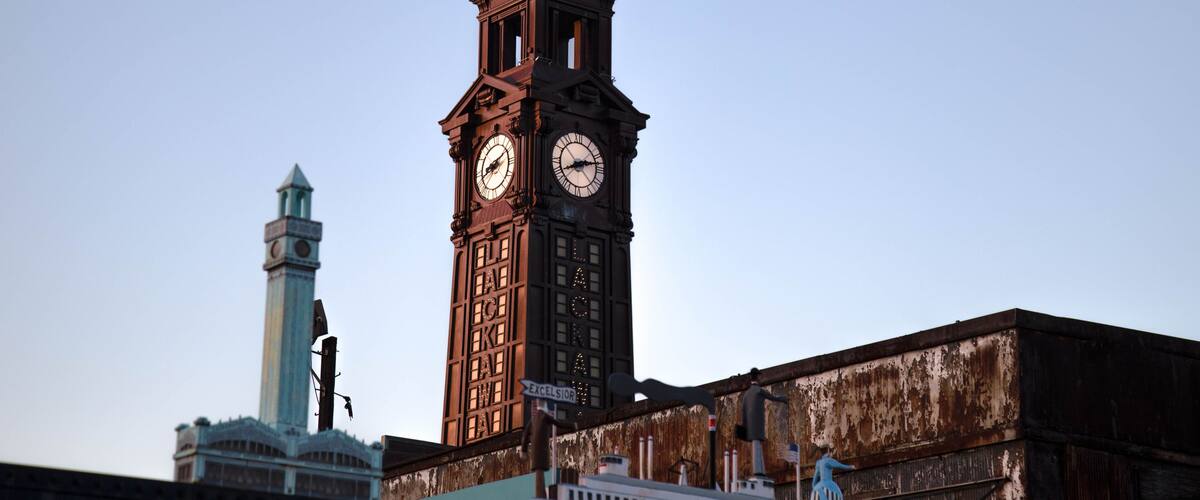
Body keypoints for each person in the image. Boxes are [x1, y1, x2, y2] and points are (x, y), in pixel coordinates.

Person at [520, 400, 578, 499]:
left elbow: (525, 435)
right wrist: (572, 426)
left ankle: (542, 495)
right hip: (542, 451)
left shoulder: (533, 419)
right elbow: (558, 423)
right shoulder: (544, 416)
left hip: (535, 453)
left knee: (539, 476)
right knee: (540, 476)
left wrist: (523, 450)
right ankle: (542, 496)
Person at [738, 367, 788, 477]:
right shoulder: (759, 391)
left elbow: (743, 411)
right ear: (758, 377)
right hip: (757, 425)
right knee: (757, 446)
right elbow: (773, 397)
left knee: (756, 446)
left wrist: (744, 425)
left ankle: (760, 470)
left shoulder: (746, 394)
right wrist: (784, 399)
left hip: (749, 426)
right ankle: (758, 471)